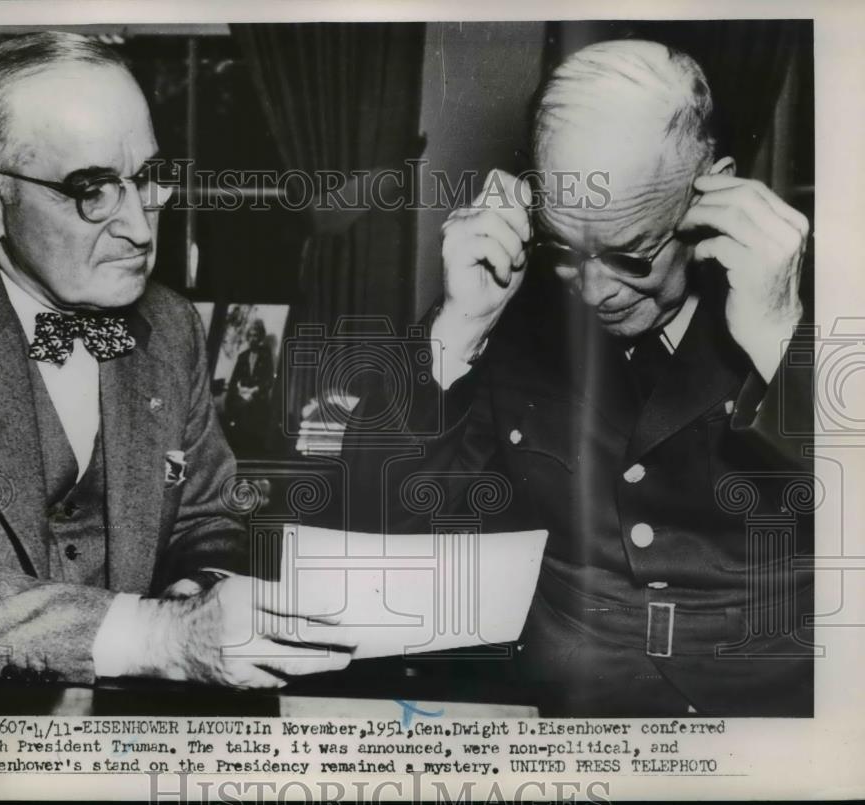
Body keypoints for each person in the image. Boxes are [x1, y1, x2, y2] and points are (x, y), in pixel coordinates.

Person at [344, 39, 814, 716]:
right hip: (560, 713)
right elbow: (370, 514)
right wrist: (458, 326)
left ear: (715, 190)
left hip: (764, 721)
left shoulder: (817, 298)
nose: (593, 290)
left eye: (631, 255)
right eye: (565, 250)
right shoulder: (507, 306)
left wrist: (780, 339)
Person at [0, 32, 353, 688]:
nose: (140, 226)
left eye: (148, 178)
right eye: (92, 190)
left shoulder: (169, 326)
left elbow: (208, 516)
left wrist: (198, 596)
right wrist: (160, 637)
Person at [225, 319, 275, 455]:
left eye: (256, 335)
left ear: (260, 337)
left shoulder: (266, 354)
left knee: (254, 422)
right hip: (242, 396)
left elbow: (269, 379)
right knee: (238, 414)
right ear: (247, 337)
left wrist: (255, 390)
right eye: (251, 335)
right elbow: (235, 379)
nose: (253, 338)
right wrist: (239, 389)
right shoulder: (243, 356)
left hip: (258, 397)